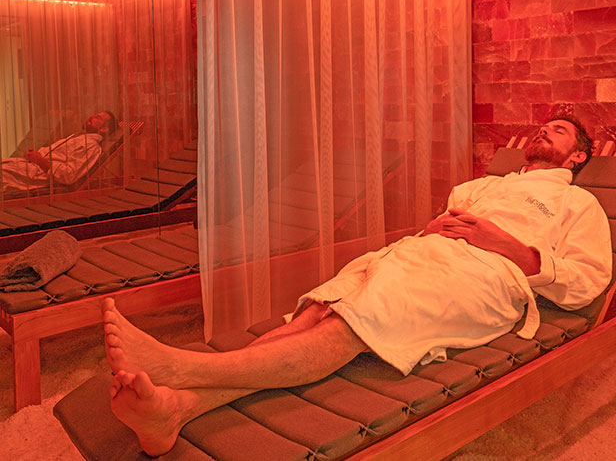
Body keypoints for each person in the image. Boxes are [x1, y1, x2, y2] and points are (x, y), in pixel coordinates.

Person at [101, 115, 612, 456]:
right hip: (420, 257)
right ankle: (177, 409)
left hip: (490, 278)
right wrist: (430, 229)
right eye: (544, 125)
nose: (546, 129)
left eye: (561, 130)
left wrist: (510, 246)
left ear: (577, 158)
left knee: (350, 321)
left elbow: (589, 282)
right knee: (316, 310)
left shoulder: (577, 205)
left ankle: (183, 367)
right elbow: (443, 224)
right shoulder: (482, 186)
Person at [1, 111, 118, 193]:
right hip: (32, 167)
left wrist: (40, 161)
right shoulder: (79, 137)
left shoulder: (91, 147)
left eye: (98, 118)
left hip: (39, 176)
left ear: (104, 129)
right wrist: (34, 156)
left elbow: (69, 175)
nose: (92, 116)